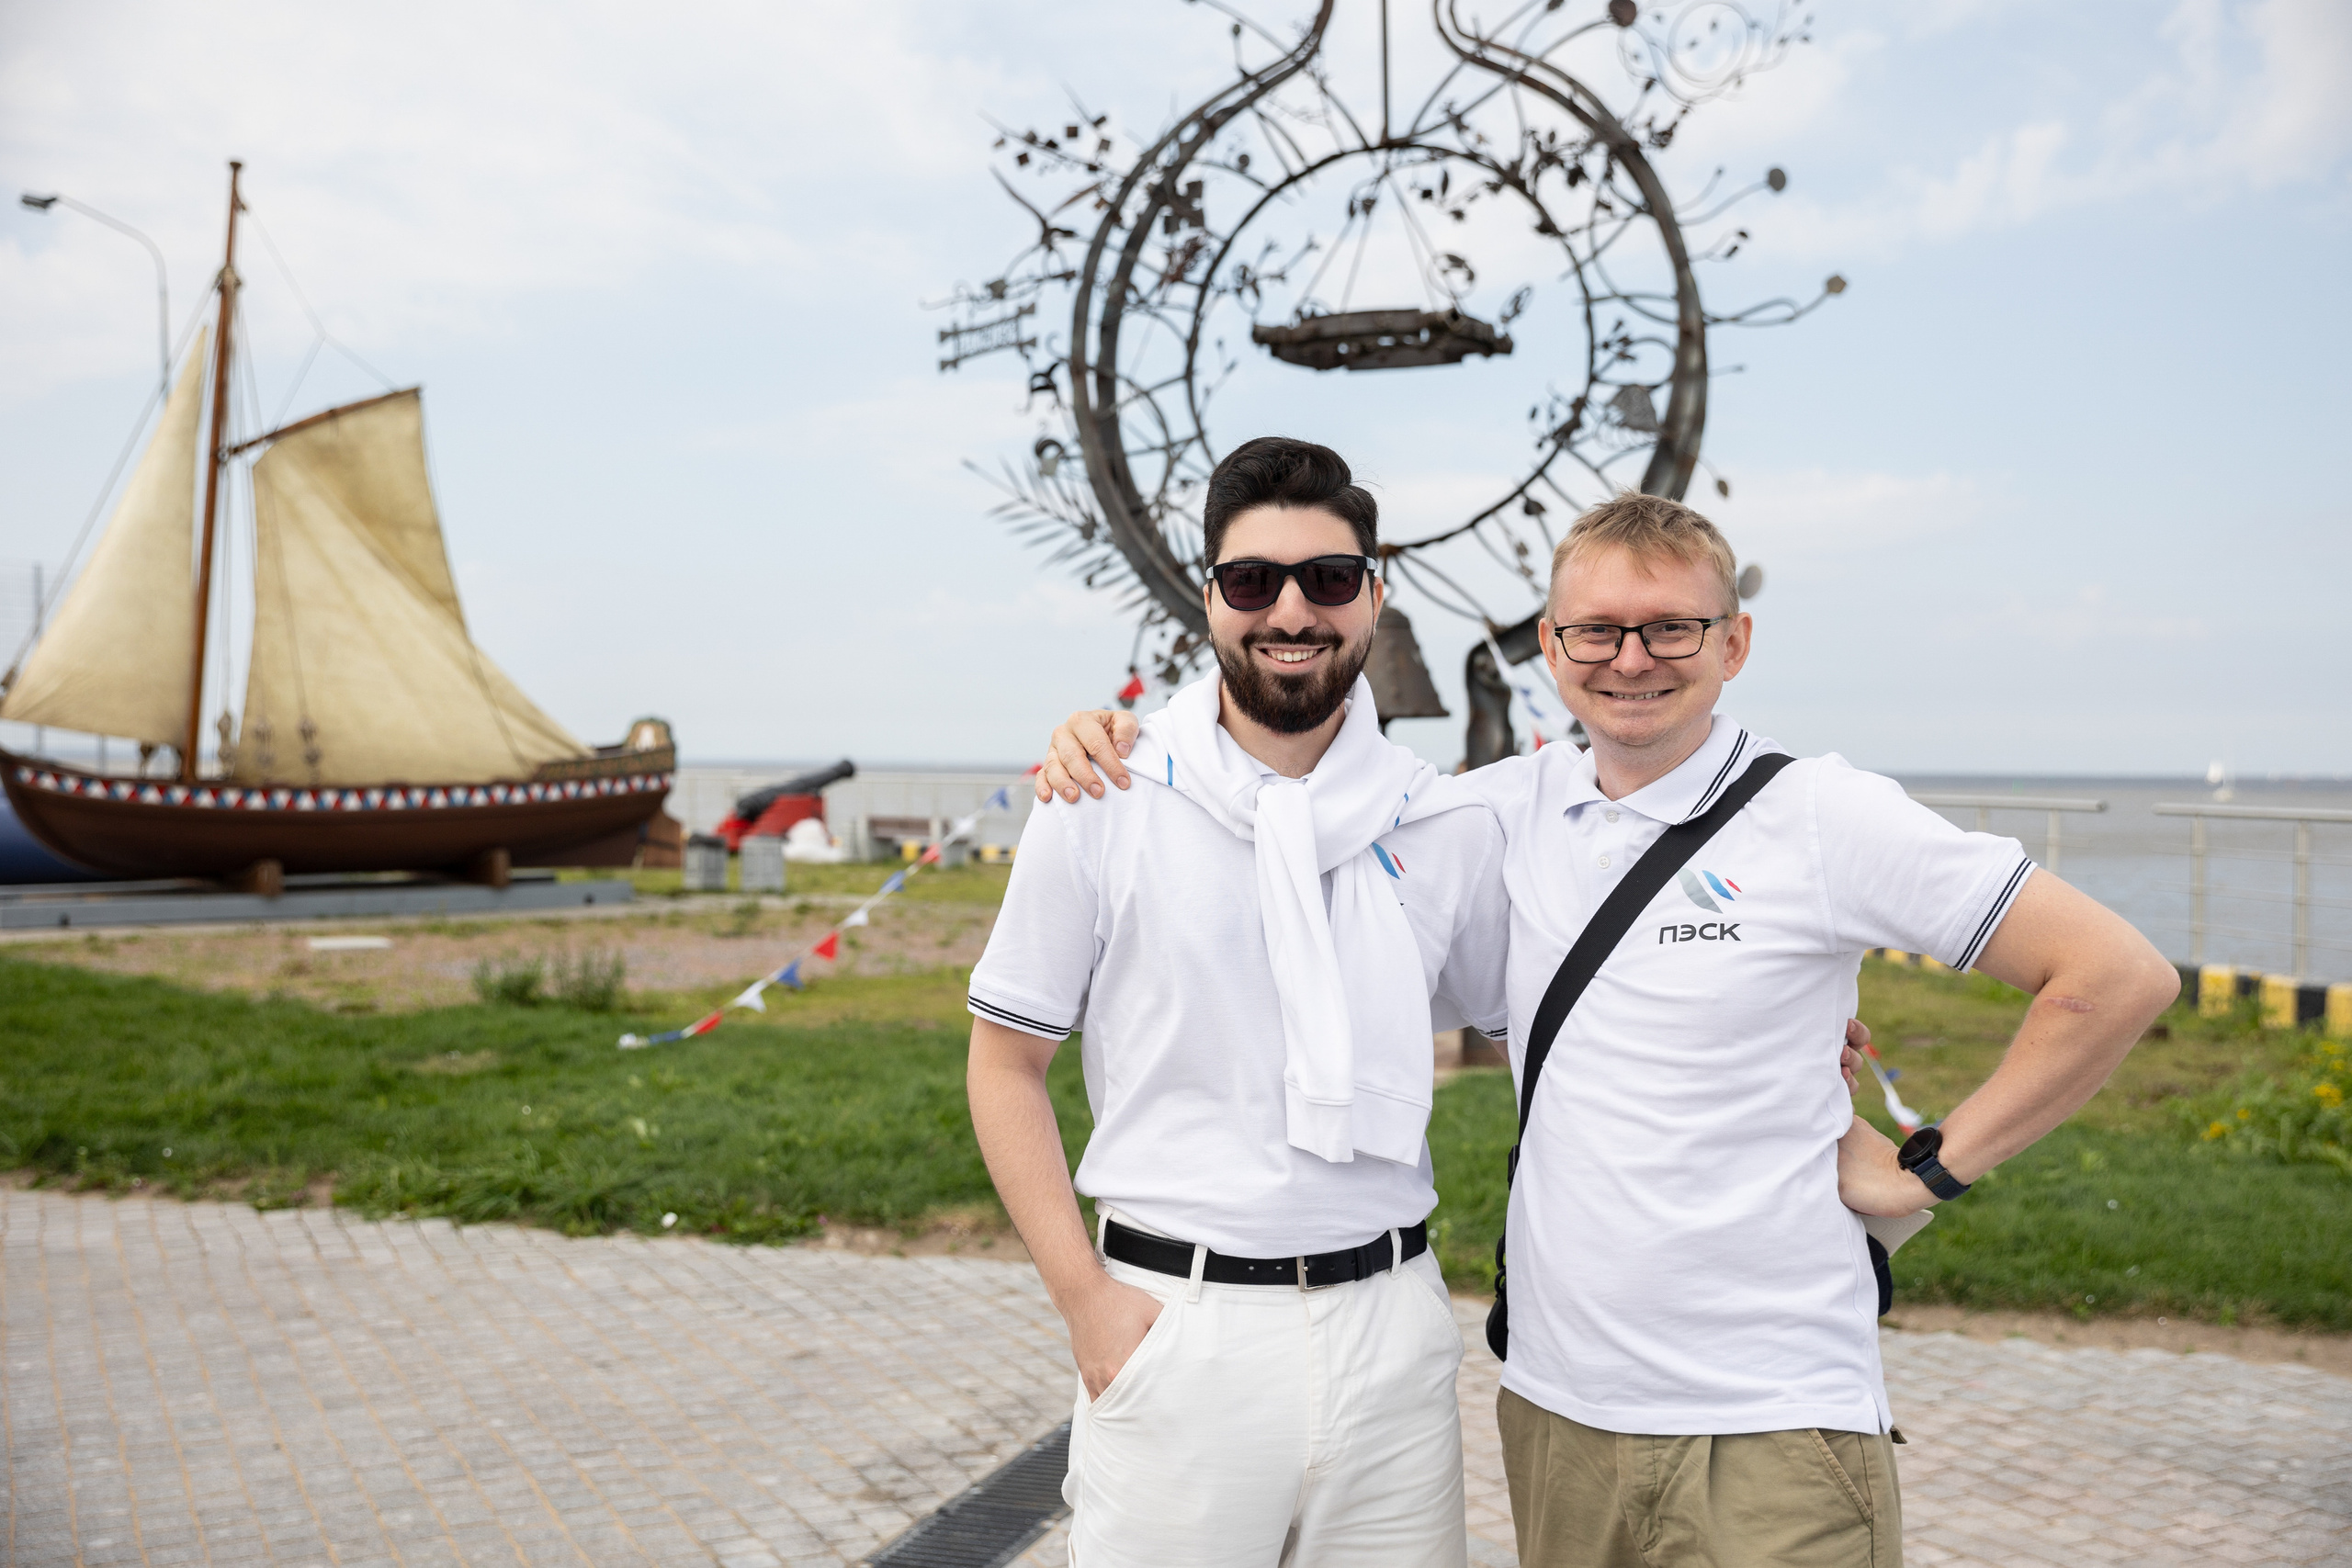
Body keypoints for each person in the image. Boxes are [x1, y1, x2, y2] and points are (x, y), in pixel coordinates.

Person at [1036, 491, 2180, 1568]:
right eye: (1596, 633)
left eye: (1671, 629)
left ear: (1734, 644)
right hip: (1558, 1412)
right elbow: (1294, 812)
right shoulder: (1487, 817)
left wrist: (1930, 1171)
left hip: (1770, 1423)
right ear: (1550, 645)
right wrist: (1118, 742)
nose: (1631, 660)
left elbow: (2111, 976)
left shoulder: (1823, 815)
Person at [967, 437, 1512, 1566]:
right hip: (1176, 1325)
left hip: (1392, 1328)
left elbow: (1549, 1033)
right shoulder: (1106, 790)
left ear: (1374, 594)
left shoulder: (1441, 820)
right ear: (1208, 595)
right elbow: (1004, 1062)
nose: (1292, 611)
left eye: (1329, 577)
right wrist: (1087, 1306)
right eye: (1253, 580)